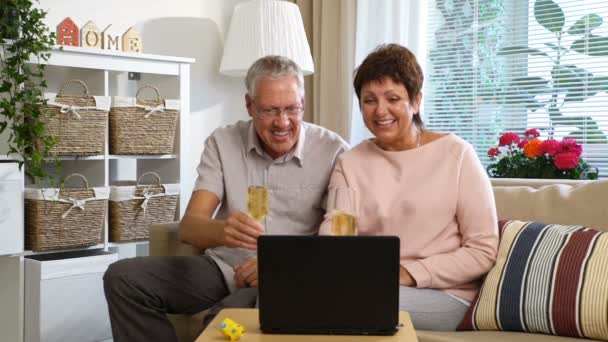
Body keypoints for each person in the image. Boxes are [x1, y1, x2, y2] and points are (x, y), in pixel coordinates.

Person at [104, 55, 350, 342]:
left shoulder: (334, 151)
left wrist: (280, 267)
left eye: (291, 109)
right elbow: (190, 227)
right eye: (270, 110)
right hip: (222, 269)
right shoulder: (222, 142)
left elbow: (343, 240)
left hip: (291, 278)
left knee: (222, 321)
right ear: (249, 105)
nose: (282, 122)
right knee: (123, 278)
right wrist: (222, 230)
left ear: (303, 104)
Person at [319, 44, 499, 331]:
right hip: (367, 285)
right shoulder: (350, 163)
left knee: (348, 305)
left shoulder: (456, 155)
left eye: (393, 98)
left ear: (416, 101)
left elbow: (482, 250)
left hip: (444, 294)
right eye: (369, 100)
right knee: (285, 300)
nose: (381, 111)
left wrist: (406, 273)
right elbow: (338, 228)